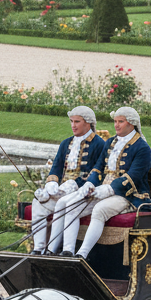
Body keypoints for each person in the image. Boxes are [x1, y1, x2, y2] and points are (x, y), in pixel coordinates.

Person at [57, 106, 151, 260]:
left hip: (127, 195)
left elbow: (133, 177)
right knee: (73, 205)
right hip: (102, 190)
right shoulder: (110, 142)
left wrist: (108, 189)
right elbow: (98, 168)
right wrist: (90, 184)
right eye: (115, 121)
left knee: (100, 210)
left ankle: (82, 254)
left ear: (132, 124)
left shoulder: (142, 148)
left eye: (121, 121)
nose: (116, 125)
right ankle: (68, 251)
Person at [30, 106, 105, 255]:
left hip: (80, 192)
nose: (73, 125)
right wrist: (52, 182)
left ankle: (53, 249)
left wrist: (76, 184)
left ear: (88, 123)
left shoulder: (99, 144)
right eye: (71, 121)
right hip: (61, 190)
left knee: (63, 203)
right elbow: (56, 166)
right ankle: (38, 248)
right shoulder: (66, 143)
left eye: (77, 121)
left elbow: (97, 172)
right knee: (38, 203)